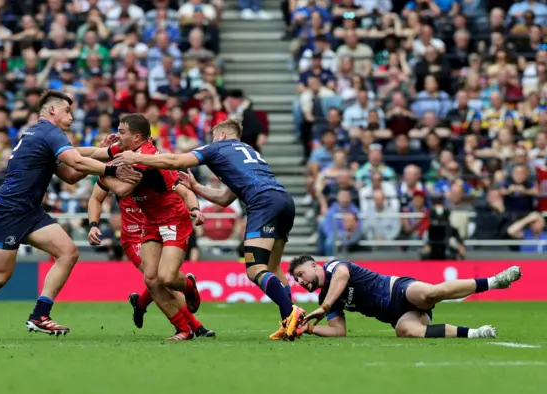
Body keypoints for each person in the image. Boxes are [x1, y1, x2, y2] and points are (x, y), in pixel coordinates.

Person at [0, 90, 143, 340]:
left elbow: (72, 174)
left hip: (31, 212)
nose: (72, 115)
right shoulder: (48, 132)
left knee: (68, 252)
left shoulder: (42, 134)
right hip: (8, 211)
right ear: (52, 111)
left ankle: (39, 315)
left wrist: (104, 152)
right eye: (67, 110)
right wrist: (113, 169)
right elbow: (77, 162)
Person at [114, 118, 304, 341]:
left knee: (255, 269)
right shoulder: (248, 152)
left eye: (213, 137)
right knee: (273, 267)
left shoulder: (218, 147)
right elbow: (224, 198)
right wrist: (195, 187)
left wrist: (136, 157)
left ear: (222, 136)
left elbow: (175, 161)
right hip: (284, 200)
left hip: (263, 203)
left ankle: (292, 312)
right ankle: (289, 323)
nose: (211, 141)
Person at [99, 115, 213, 341]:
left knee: (167, 278)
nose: (117, 136)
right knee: (151, 280)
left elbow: (122, 190)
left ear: (137, 137)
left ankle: (188, 285)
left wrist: (195, 209)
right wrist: (66, 153)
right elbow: (92, 156)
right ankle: (183, 330)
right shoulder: (126, 155)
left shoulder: (149, 160)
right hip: (150, 223)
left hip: (173, 219)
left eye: (122, 132)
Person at [289, 256, 522, 338]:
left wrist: (326, 305)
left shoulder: (333, 266)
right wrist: (307, 329)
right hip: (397, 315)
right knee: (407, 332)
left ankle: (494, 282)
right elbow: (338, 331)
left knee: (430, 293)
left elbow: (342, 275)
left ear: (314, 265)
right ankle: (474, 333)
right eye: (296, 280)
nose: (300, 281)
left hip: (398, 289)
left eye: (300, 274)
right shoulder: (324, 300)